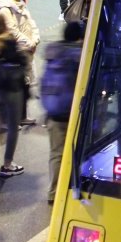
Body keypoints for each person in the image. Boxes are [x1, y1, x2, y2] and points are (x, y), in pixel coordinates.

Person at [42, 22, 84, 205]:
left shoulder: (53, 52)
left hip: (54, 111)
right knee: (78, 152)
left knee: (56, 153)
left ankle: (53, 192)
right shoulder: (82, 54)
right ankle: (74, 188)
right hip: (75, 112)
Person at [0, 0, 41, 125]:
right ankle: (11, 120)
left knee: (24, 85)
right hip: (16, 51)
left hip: (27, 49)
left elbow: (31, 23)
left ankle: (22, 117)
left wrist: (35, 38)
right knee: (16, 87)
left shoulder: (21, 4)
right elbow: (12, 30)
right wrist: (29, 42)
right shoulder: (5, 9)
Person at [0, 14, 28, 179]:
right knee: (13, 128)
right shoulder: (8, 40)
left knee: (2, 122)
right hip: (13, 89)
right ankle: (8, 164)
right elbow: (22, 61)